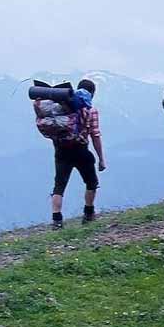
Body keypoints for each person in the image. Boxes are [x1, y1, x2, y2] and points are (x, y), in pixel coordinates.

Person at [50, 78, 107, 229]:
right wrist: (101, 159)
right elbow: (95, 135)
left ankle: (56, 220)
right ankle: (88, 213)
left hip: (61, 150)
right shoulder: (91, 110)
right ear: (92, 94)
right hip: (81, 150)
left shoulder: (63, 108)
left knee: (59, 185)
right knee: (91, 182)